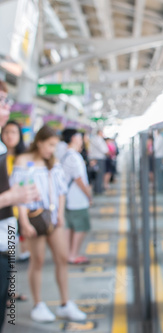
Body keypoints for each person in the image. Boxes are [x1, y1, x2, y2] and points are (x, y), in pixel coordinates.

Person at [11, 124, 87, 323]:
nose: (51, 150)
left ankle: (65, 303)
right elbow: (18, 195)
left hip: (53, 217)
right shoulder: (23, 161)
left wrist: (60, 214)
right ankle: (38, 304)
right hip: (34, 217)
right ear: (39, 142)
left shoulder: (52, 162)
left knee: (61, 258)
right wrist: (24, 221)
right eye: (50, 145)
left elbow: (61, 191)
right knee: (38, 261)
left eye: (54, 146)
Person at [0, 80, 40, 331]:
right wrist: (10, 198)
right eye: (2, 101)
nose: (6, 108)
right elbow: (11, 195)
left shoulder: (9, 153)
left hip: (7, 233)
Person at [61, 129, 92, 265]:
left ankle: (69, 253)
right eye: (80, 137)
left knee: (71, 227)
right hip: (76, 199)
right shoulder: (73, 156)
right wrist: (88, 195)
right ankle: (73, 254)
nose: (82, 139)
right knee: (81, 227)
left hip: (69, 198)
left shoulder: (66, 154)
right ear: (73, 138)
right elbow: (79, 179)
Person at [1, 120, 30, 262]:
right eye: (6, 132)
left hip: (21, 207)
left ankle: (24, 252)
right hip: (4, 210)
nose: (9, 136)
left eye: (13, 132)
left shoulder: (25, 158)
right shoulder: (2, 157)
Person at [88, 129, 108, 194]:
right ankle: (98, 190)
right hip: (99, 159)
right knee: (99, 175)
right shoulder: (99, 140)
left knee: (95, 175)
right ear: (100, 132)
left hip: (93, 159)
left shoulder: (93, 139)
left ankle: (96, 189)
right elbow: (104, 150)